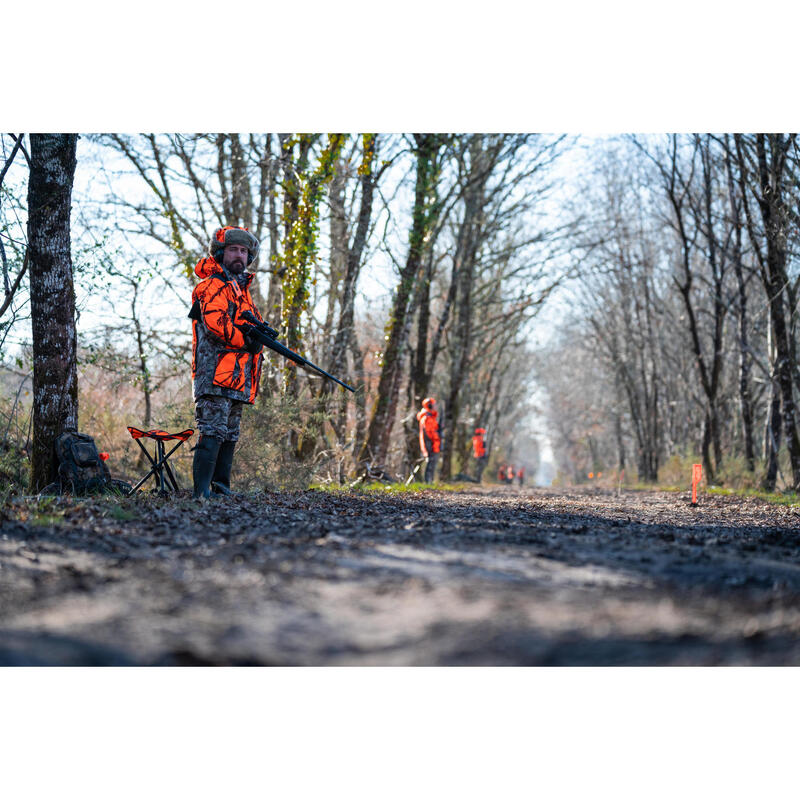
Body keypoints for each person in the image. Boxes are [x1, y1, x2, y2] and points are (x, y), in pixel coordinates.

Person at [189, 226, 265, 499]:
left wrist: (257, 338)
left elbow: (249, 326)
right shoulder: (211, 286)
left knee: (230, 434)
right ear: (221, 253)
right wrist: (247, 341)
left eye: (244, 251)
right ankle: (201, 494)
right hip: (213, 374)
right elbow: (215, 324)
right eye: (233, 249)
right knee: (212, 431)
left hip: (236, 375)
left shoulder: (242, 291)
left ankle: (221, 490)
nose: (239, 255)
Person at [416, 397, 441, 483]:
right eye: (434, 405)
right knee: (430, 463)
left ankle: (429, 482)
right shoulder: (427, 418)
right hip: (430, 443)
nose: (436, 406)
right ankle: (428, 482)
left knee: (432, 463)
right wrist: (436, 439)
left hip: (432, 443)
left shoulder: (430, 417)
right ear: (429, 406)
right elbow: (429, 433)